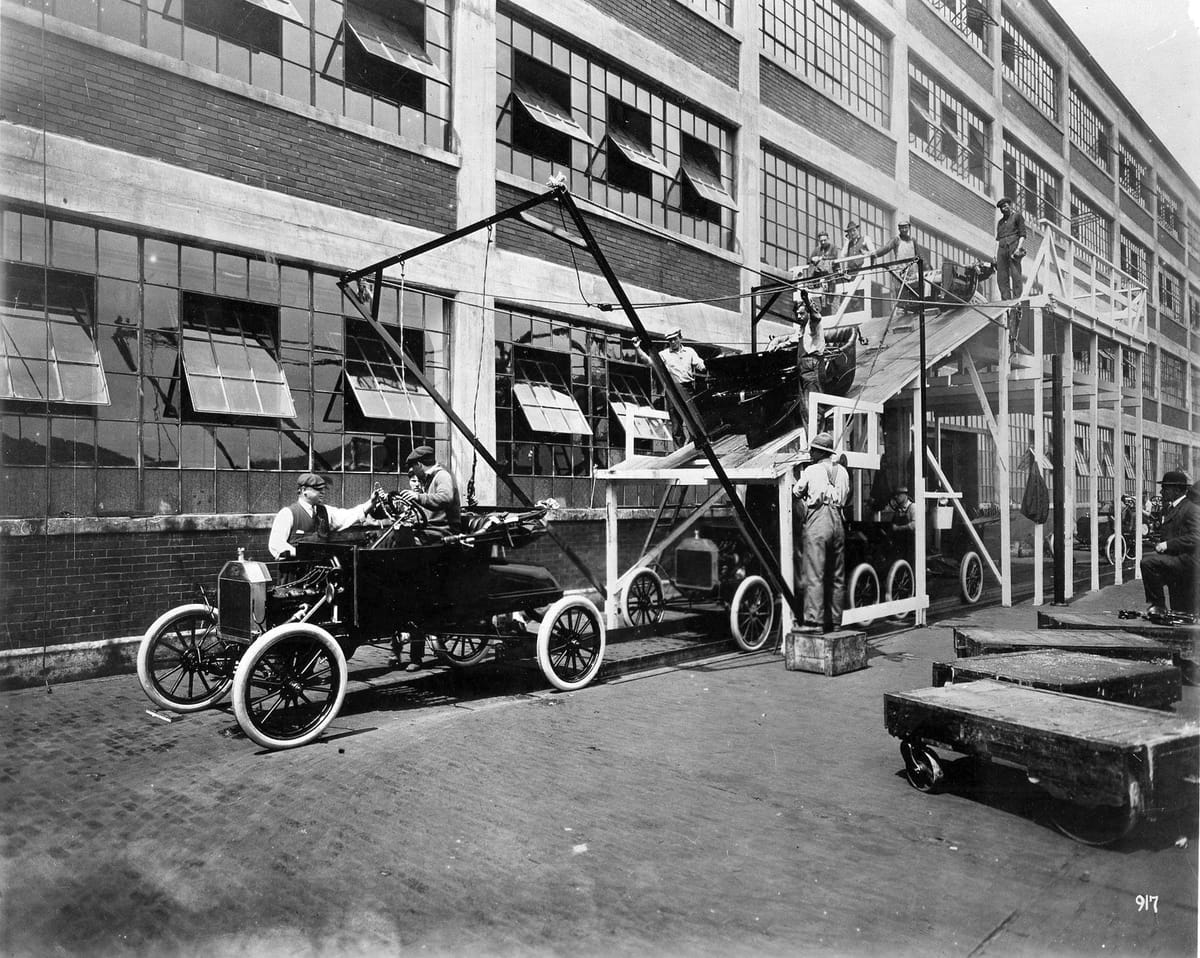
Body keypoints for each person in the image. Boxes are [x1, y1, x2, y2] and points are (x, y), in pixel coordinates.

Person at [792, 431, 851, 632]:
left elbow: (797, 491)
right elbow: (847, 495)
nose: (811, 453)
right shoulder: (842, 472)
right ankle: (835, 623)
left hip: (818, 519)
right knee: (837, 575)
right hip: (838, 520)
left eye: (813, 450)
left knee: (814, 573)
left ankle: (814, 622)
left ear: (819, 452)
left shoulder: (811, 470)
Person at [268, 472, 375, 559]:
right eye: (318, 489)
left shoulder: (325, 511)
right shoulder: (287, 514)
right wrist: (300, 553)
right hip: (295, 574)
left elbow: (348, 515)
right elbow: (275, 544)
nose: (323, 492)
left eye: (323, 489)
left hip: (320, 572)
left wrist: (371, 503)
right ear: (304, 490)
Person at [1140, 470, 1200, 615]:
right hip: (1175, 558)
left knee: (1148, 563)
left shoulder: (1191, 509)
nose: (1161, 492)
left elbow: (1197, 536)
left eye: (1165, 488)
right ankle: (1162, 607)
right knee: (1181, 610)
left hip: (1188, 560)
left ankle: (1159, 605)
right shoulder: (1169, 508)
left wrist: (1167, 545)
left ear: (1178, 490)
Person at [635, 329, 706, 446]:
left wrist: (709, 365)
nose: (672, 342)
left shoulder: (689, 351)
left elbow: (701, 365)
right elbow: (648, 362)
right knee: (676, 423)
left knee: (694, 421)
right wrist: (637, 348)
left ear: (680, 338)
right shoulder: (664, 354)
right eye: (670, 340)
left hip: (688, 389)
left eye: (675, 339)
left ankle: (697, 447)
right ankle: (679, 450)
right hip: (672, 390)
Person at [395, 445, 461, 540]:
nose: (413, 471)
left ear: (419, 464)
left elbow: (446, 498)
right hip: (431, 529)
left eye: (413, 467)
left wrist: (418, 497)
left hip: (444, 531)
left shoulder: (442, 475)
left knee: (402, 541)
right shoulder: (428, 479)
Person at [872, 220, 927, 311]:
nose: (904, 230)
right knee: (902, 298)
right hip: (901, 271)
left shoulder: (913, 241)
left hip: (912, 271)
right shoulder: (896, 240)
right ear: (899, 229)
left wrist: (927, 266)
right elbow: (886, 248)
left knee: (916, 294)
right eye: (902, 228)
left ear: (909, 228)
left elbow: (920, 255)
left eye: (906, 227)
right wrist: (875, 254)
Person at [994, 196, 1028, 302]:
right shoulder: (1000, 222)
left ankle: (1016, 299)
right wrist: (995, 254)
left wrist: (1018, 248)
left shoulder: (1017, 216)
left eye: (1005, 206)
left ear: (1010, 205)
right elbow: (998, 239)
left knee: (1015, 274)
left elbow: (1022, 234)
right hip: (1002, 248)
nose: (1004, 209)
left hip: (1013, 246)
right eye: (1002, 208)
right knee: (1001, 276)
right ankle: (1006, 300)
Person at [837, 222, 875, 312]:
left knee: (861, 295)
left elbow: (873, 252)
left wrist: (866, 253)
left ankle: (861, 312)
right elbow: (843, 256)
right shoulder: (849, 243)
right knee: (852, 296)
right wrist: (847, 242)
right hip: (852, 272)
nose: (852, 233)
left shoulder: (865, 239)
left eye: (854, 230)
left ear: (857, 230)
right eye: (850, 232)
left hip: (862, 271)